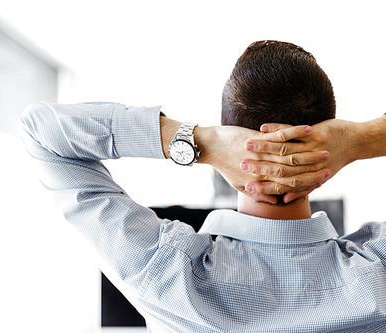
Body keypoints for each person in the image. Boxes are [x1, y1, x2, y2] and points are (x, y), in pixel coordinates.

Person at [19, 41, 386, 332]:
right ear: (328, 140)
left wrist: (199, 143)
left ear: (229, 132)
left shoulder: (163, 270)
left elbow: (41, 133)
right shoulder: (378, 274)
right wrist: (364, 139)